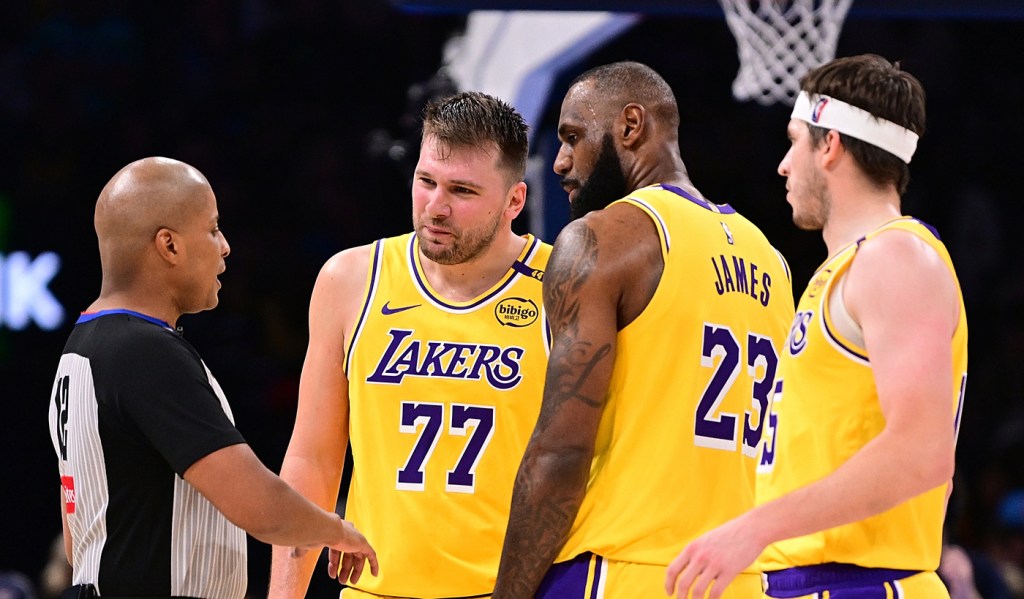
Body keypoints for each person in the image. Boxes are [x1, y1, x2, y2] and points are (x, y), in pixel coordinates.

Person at [665, 54, 969, 599]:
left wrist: (754, 528)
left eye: (794, 141)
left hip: (863, 584)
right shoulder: (848, 269)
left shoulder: (895, 258)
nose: (784, 165)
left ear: (830, 146)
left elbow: (923, 455)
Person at [491, 61, 795, 598]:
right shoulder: (772, 260)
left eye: (572, 137)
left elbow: (561, 453)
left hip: (623, 570)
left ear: (630, 126)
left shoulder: (603, 239)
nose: (560, 160)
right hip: (740, 579)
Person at [47, 157, 377, 599]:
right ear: (169, 245)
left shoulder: (80, 348)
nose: (225, 247)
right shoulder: (145, 351)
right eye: (213, 229)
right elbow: (257, 504)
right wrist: (338, 530)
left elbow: (77, 539)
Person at [268, 91, 551, 599]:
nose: (436, 207)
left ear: (515, 201)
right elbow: (313, 460)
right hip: (375, 590)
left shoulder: (564, 287)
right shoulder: (351, 280)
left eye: (462, 190)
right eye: (426, 182)